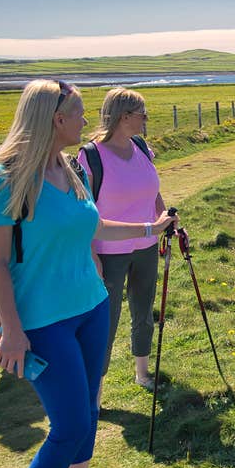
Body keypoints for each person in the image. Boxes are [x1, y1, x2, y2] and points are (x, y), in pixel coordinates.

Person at [0, 80, 175, 468]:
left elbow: (94, 225)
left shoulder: (65, 167)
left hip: (89, 307)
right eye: (80, 113)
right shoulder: (5, 177)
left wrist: (151, 228)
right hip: (43, 322)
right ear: (53, 118)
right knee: (66, 425)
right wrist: (13, 330)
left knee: (86, 413)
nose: (86, 122)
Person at [76, 88, 165, 389]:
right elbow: (84, 210)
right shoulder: (90, 156)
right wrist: (91, 253)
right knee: (106, 322)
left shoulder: (140, 146)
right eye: (142, 114)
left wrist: (164, 218)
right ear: (124, 116)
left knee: (143, 311)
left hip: (147, 246)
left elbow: (153, 189)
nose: (146, 120)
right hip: (108, 251)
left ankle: (142, 373)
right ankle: (96, 389)